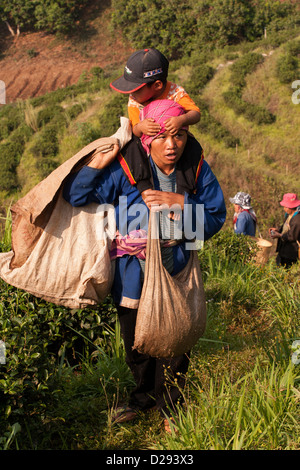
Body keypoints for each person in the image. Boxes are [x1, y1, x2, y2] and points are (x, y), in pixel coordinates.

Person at [63, 100, 226, 432]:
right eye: (163, 138)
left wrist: (182, 203)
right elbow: (76, 196)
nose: (172, 145)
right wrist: (99, 162)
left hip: (177, 266)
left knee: (176, 343)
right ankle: (142, 398)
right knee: (137, 343)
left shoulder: (195, 169)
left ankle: (172, 407)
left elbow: (214, 218)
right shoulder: (126, 169)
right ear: (147, 139)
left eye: (179, 136)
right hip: (132, 275)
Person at [110, 48, 201, 194]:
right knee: (131, 146)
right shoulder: (134, 100)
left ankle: (185, 191)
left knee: (193, 149)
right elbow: (135, 129)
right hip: (149, 145)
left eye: (136, 89)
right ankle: (143, 187)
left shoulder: (175, 92)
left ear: (157, 85)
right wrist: (141, 127)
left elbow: (195, 113)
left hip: (175, 142)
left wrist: (182, 120)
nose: (131, 93)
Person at [269, 193, 300, 268]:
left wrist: (279, 235)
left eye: (285, 207)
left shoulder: (297, 220)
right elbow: (286, 227)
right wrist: (278, 230)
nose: (284, 208)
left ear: (290, 207)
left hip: (291, 253)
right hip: (283, 251)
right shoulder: (289, 215)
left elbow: (292, 236)